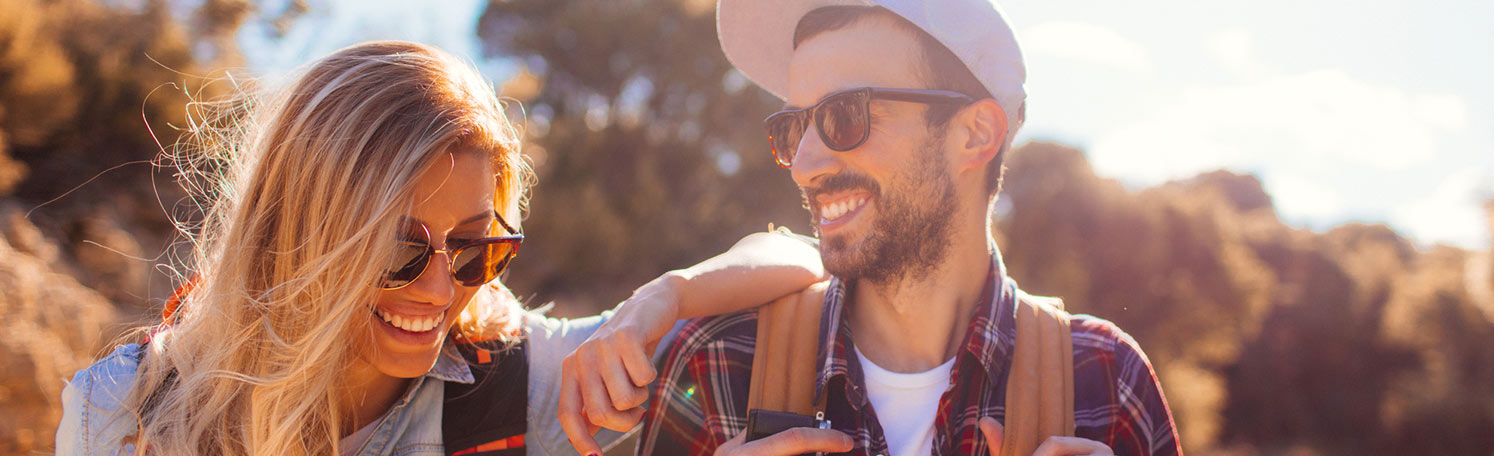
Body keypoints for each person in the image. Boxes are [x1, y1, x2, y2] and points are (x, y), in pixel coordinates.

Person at [54, 41, 825, 456]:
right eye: (399, 250)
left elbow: (802, 257)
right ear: (299, 235)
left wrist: (662, 299)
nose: (438, 289)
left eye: (474, 249)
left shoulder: (517, 385)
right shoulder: (122, 415)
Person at [619, 1, 1182, 455]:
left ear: (974, 135)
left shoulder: (1107, 379)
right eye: (793, 127)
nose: (804, 163)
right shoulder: (717, 364)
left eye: (845, 114)